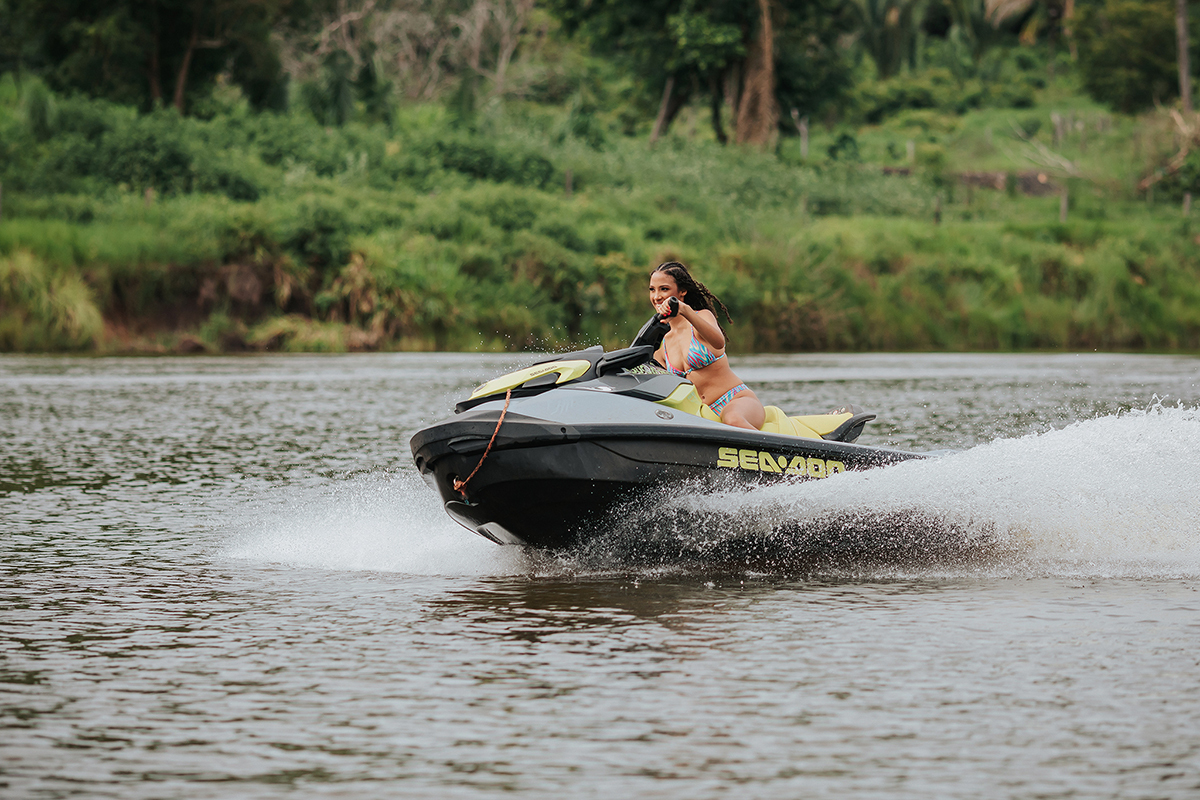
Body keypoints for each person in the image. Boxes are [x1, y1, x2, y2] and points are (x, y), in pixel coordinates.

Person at [648, 261, 765, 431]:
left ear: (682, 292)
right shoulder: (664, 343)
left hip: (735, 401)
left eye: (664, 289)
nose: (657, 296)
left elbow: (719, 342)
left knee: (732, 420)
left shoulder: (701, 317)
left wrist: (685, 310)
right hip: (703, 413)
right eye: (652, 289)